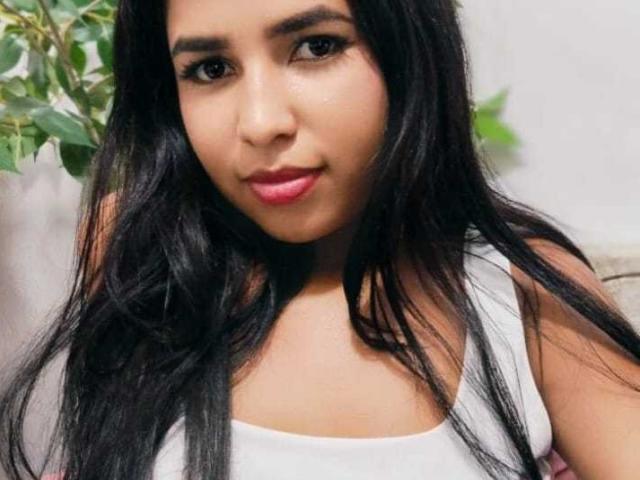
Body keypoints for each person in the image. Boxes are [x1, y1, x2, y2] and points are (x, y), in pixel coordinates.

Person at [0, 0, 638, 479]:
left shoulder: (520, 291)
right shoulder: (140, 251)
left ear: (409, 47)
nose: (261, 124)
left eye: (315, 47)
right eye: (210, 69)